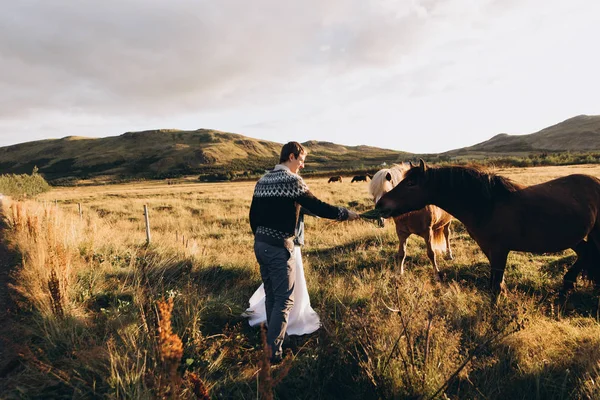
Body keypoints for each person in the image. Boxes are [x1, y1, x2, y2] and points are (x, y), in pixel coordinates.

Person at [249, 141, 359, 363]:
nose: (302, 166)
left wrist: (262, 238)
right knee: (284, 299)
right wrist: (345, 213)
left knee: (272, 295)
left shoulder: (262, 181)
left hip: (260, 245)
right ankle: (273, 353)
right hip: (280, 247)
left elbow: (253, 216)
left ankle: (275, 338)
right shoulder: (292, 181)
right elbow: (318, 206)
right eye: (301, 161)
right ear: (291, 157)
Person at [244, 208, 320, 336]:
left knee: (275, 287)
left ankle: (273, 324)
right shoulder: (292, 189)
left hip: (269, 240)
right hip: (288, 241)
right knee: (288, 286)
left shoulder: (268, 188)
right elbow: (315, 210)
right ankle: (280, 331)